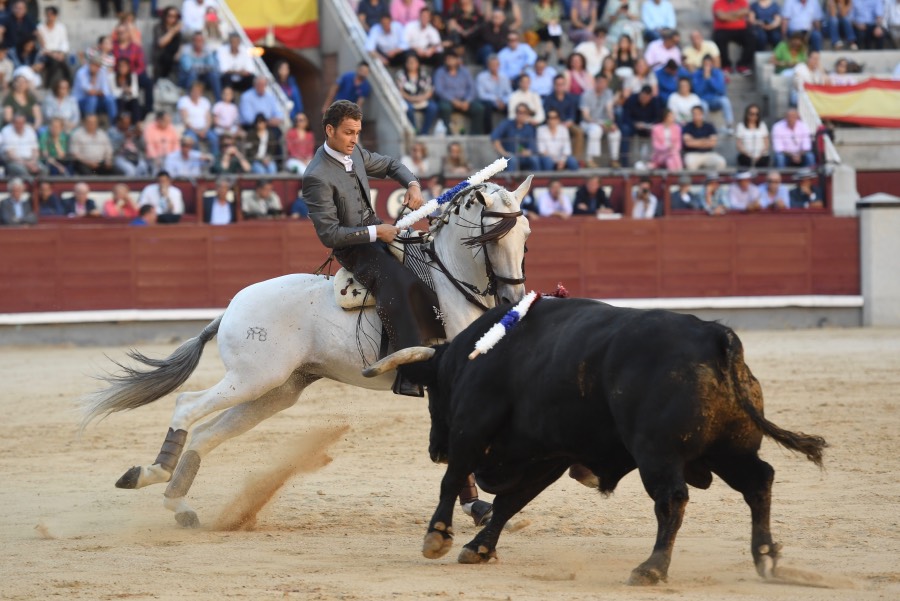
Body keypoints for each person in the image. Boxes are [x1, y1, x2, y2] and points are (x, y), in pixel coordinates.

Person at [302, 100, 443, 397]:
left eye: (357, 132)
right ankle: (408, 372)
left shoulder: (354, 152)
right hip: (354, 248)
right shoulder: (316, 176)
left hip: (378, 231)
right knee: (398, 281)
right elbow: (329, 234)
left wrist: (413, 184)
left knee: (430, 258)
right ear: (330, 130)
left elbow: (391, 165)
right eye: (348, 132)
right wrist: (376, 232)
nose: (354, 139)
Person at [491, 103, 554, 172]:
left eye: (524, 112)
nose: (521, 115)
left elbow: (531, 148)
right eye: (519, 112)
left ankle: (536, 178)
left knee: (534, 159)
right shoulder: (507, 124)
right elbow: (495, 138)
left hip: (523, 157)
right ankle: (511, 179)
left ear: (527, 115)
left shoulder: (529, 128)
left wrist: (527, 152)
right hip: (508, 156)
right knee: (512, 159)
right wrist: (504, 153)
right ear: (516, 113)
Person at [434, 51, 484, 134]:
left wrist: (467, 101)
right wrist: (453, 101)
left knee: (479, 108)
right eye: (447, 59)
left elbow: (472, 88)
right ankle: (448, 133)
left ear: (457, 60)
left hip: (464, 101)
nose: (450, 61)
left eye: (452, 59)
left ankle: (475, 133)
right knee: (444, 108)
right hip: (448, 101)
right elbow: (439, 90)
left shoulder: (465, 71)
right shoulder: (440, 72)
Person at [580, 74, 623, 167]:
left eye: (604, 83)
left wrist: (610, 123)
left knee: (616, 132)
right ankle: (589, 160)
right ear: (595, 82)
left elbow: (609, 111)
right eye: (600, 82)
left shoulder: (608, 93)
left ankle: (614, 159)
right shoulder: (586, 95)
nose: (602, 85)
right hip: (588, 123)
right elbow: (586, 116)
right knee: (596, 130)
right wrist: (599, 124)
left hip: (603, 122)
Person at [112, 23, 153, 118]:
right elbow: (109, 63)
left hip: (134, 75)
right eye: (119, 32)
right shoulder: (113, 47)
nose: (121, 34)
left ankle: (149, 109)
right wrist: (119, 74)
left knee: (148, 82)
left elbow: (141, 66)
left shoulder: (136, 47)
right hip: (117, 76)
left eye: (123, 32)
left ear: (128, 33)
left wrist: (131, 75)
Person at [543, 74, 585, 162]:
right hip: (553, 124)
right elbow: (547, 115)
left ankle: (575, 159)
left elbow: (572, 115)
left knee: (579, 131)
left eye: (562, 84)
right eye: (557, 84)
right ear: (554, 85)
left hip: (567, 124)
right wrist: (557, 123)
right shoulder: (548, 99)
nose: (559, 87)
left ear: (565, 85)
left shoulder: (570, 98)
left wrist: (569, 122)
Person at [693, 55, 734, 132]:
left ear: (712, 64)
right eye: (705, 64)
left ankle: (729, 125)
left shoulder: (718, 73)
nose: (707, 66)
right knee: (703, 106)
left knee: (725, 100)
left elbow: (721, 90)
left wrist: (710, 79)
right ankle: (702, 128)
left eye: (709, 64)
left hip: (715, 99)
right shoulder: (697, 74)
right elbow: (698, 92)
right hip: (703, 99)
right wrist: (704, 80)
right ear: (702, 64)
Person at [712, 0, 755, 74]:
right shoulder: (718, 3)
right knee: (719, 38)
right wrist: (737, 16)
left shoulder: (742, 1)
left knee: (751, 37)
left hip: (740, 29)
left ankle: (743, 65)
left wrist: (728, 15)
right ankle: (725, 65)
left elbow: (745, 11)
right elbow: (721, 16)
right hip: (723, 29)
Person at [178, 80, 218, 157]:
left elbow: (209, 119)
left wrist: (204, 130)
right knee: (193, 141)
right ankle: (198, 159)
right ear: (190, 91)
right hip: (190, 129)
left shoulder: (205, 101)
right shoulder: (184, 100)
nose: (196, 93)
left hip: (204, 129)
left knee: (214, 138)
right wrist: (197, 131)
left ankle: (215, 159)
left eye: (199, 91)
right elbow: (185, 120)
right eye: (194, 91)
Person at [72, 54, 116, 121]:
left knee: (110, 98)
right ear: (89, 64)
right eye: (93, 65)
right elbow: (89, 91)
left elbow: (105, 91)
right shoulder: (81, 72)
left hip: (98, 99)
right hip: (80, 101)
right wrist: (94, 79)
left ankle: (114, 123)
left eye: (98, 66)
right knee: (92, 98)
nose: (95, 67)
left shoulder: (102, 71)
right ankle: (89, 122)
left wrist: (98, 92)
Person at [682, 105, 727, 170]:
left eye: (698, 113)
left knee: (721, 162)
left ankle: (713, 177)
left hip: (708, 153)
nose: (696, 116)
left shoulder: (709, 126)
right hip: (692, 154)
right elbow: (688, 143)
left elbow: (712, 143)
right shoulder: (687, 127)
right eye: (694, 114)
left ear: (702, 114)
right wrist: (705, 140)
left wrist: (694, 141)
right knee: (689, 163)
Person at [179, 31, 221, 101]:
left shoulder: (207, 49)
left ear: (203, 41)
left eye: (200, 40)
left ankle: (219, 100)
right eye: (196, 40)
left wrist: (200, 67)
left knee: (214, 75)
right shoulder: (186, 50)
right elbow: (188, 67)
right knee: (193, 74)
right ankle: (188, 99)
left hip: (202, 77)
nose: (198, 43)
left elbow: (212, 65)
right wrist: (204, 67)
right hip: (187, 78)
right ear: (192, 41)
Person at [476, 53, 513, 133]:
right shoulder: (481, 77)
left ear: (499, 65)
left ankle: (509, 131)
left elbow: (509, 93)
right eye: (492, 65)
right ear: (488, 66)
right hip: (489, 101)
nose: (494, 67)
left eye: (496, 65)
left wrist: (504, 101)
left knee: (512, 105)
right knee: (487, 106)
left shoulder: (504, 77)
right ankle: (488, 132)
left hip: (502, 101)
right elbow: (481, 95)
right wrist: (496, 100)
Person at [35, 5, 70, 87]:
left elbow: (64, 42)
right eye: (48, 14)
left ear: (55, 16)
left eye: (52, 15)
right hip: (45, 54)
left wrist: (62, 53)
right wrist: (53, 55)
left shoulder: (61, 27)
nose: (49, 17)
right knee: (56, 62)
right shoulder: (40, 28)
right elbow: (42, 46)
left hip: (58, 53)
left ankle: (65, 83)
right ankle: (49, 84)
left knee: (61, 62)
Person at [1, 111, 43, 179]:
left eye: (22, 123)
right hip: (14, 162)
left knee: (43, 169)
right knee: (22, 171)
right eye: (17, 123)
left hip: (31, 160)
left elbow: (35, 150)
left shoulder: (30, 130)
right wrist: (26, 164)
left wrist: (33, 161)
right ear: (13, 123)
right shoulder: (6, 131)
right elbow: (10, 155)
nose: (20, 125)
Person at [109, 111, 149, 177]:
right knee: (130, 170)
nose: (127, 125)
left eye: (129, 123)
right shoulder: (112, 131)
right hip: (120, 157)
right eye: (125, 123)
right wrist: (123, 137)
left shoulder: (132, 129)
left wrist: (139, 137)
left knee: (143, 167)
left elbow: (143, 147)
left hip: (135, 157)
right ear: (119, 122)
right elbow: (113, 149)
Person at [152, 6, 183, 80]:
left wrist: (179, 52)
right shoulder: (158, 27)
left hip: (174, 57)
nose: (172, 18)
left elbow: (181, 42)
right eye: (170, 16)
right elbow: (161, 43)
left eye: (175, 16)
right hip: (161, 57)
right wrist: (173, 31)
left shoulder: (178, 29)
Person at [110, 57, 142, 125]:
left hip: (129, 100)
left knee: (135, 102)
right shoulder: (112, 76)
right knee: (120, 101)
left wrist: (129, 91)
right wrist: (123, 90)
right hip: (118, 101)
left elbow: (135, 93)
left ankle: (137, 124)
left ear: (128, 67)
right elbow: (113, 93)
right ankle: (119, 123)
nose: (122, 68)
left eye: (124, 66)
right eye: (120, 66)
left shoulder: (133, 76)